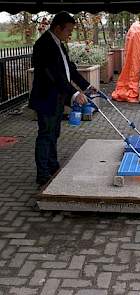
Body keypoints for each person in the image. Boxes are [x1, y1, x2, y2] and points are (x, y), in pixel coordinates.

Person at [29, 11, 96, 185]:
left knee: (54, 134)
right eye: (68, 30)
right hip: (46, 98)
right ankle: (43, 174)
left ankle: (53, 165)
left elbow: (70, 70)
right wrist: (74, 93)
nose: (70, 34)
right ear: (58, 28)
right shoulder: (44, 45)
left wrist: (87, 86)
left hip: (58, 98)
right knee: (45, 135)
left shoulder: (59, 44)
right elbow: (54, 75)